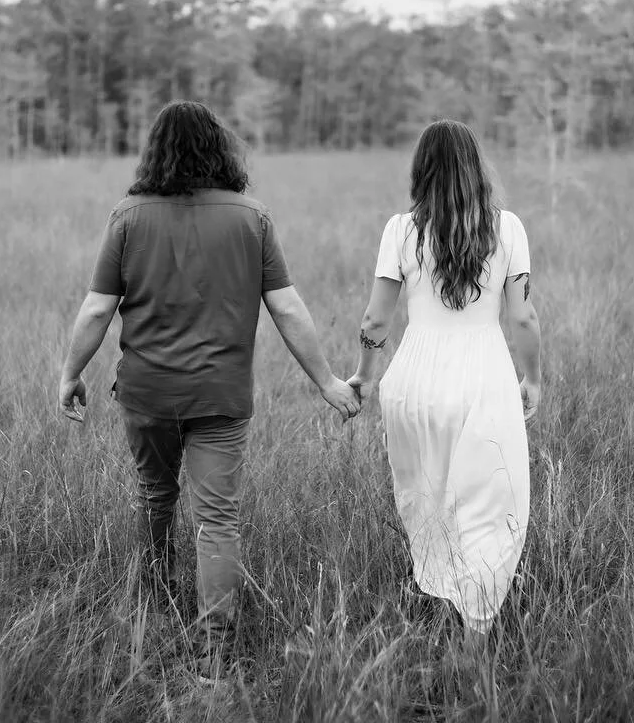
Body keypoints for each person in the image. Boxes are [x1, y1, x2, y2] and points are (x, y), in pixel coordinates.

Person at [57, 100, 359, 675]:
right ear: (220, 149)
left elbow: (98, 310)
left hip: (146, 392)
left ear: (156, 152)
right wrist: (327, 382)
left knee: (154, 496)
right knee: (217, 518)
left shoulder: (128, 216)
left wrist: (70, 374)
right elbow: (287, 308)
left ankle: (150, 602)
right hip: (220, 395)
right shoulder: (252, 217)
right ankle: (215, 649)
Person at [347, 120, 541, 642]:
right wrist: (534, 378)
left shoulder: (401, 230)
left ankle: (439, 590)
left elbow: (374, 322)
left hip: (413, 383)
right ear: (476, 168)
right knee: (493, 502)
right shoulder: (509, 229)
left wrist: (365, 378)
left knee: (426, 494)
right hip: (484, 378)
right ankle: (475, 623)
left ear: (422, 170)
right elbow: (522, 318)